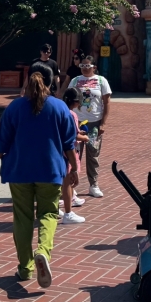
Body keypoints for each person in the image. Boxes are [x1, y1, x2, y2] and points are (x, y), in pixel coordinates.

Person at [0, 63, 78, 287]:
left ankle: (25, 268)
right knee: (47, 214)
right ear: (52, 80)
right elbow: (68, 144)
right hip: (50, 170)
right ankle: (43, 251)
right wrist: (72, 170)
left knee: (22, 219)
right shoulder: (60, 107)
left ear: (28, 78)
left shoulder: (14, 107)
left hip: (19, 170)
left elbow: (1, 143)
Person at [66, 55, 112, 198]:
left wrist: (103, 123)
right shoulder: (75, 80)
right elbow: (67, 99)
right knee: (75, 155)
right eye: (83, 66)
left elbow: (107, 102)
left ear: (94, 67)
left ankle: (94, 184)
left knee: (93, 154)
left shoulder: (101, 81)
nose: (85, 69)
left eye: (88, 66)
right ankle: (72, 187)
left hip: (93, 124)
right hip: (77, 124)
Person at [59, 87, 86, 224]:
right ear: (76, 101)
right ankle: (68, 213)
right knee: (68, 183)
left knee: (57, 183)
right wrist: (85, 138)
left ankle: (54, 208)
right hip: (68, 153)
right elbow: (73, 136)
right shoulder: (72, 115)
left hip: (57, 152)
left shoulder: (58, 111)